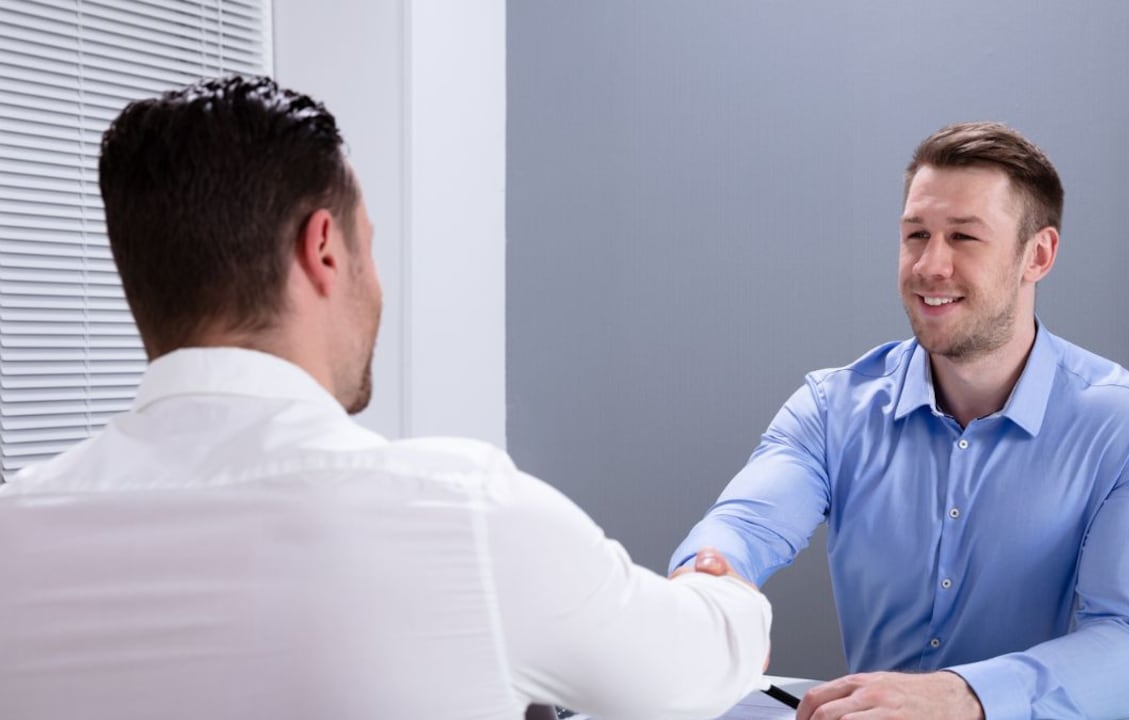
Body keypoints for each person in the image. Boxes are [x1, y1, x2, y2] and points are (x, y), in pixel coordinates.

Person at [0, 75, 770, 719]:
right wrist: (725, 589)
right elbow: (698, 669)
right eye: (371, 245)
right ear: (325, 247)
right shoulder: (463, 513)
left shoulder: (16, 531)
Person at [671, 121, 1129, 720]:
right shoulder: (830, 406)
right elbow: (744, 525)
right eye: (916, 234)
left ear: (1039, 255)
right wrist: (712, 585)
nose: (930, 265)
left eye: (964, 237)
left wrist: (964, 696)